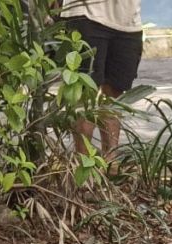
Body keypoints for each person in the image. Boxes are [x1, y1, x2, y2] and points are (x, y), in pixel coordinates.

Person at [60, 0, 143, 158]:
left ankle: (110, 162)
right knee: (84, 94)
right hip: (86, 14)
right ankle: (83, 164)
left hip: (128, 20)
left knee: (114, 95)